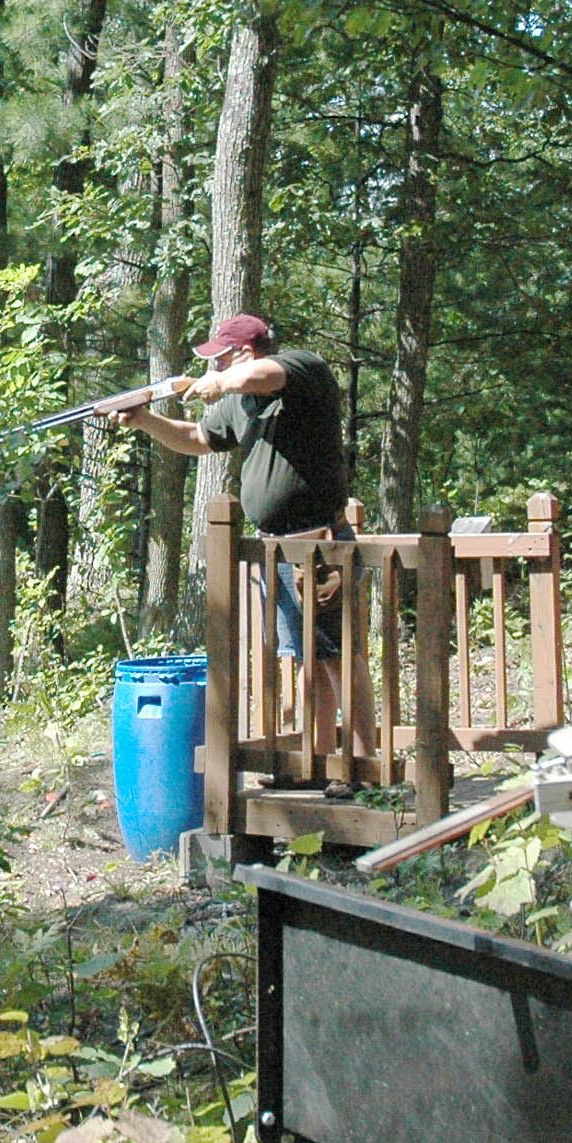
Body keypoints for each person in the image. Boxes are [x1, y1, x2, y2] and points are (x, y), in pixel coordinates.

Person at [115, 313, 376, 787]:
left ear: (242, 352)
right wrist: (145, 419)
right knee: (309, 660)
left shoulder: (300, 369)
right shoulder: (239, 400)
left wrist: (218, 384)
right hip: (277, 554)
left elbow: (261, 375)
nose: (214, 364)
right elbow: (197, 439)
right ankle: (312, 767)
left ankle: (363, 768)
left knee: (340, 657)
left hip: (320, 549)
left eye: (220, 355)